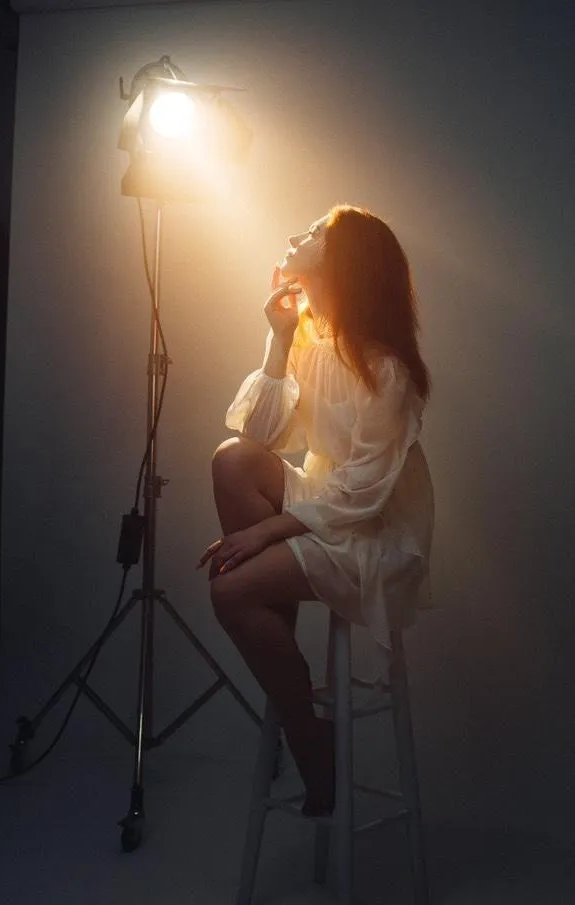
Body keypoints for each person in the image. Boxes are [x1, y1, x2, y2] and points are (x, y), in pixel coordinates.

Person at [196, 203, 434, 816]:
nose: (294, 235)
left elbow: (363, 492)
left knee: (229, 592)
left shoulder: (388, 371)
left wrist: (265, 535)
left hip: (373, 528)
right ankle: (296, 696)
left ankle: (305, 736)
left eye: (314, 233)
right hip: (327, 501)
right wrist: (278, 341)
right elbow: (260, 436)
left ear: (343, 263)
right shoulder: (307, 338)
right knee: (232, 459)